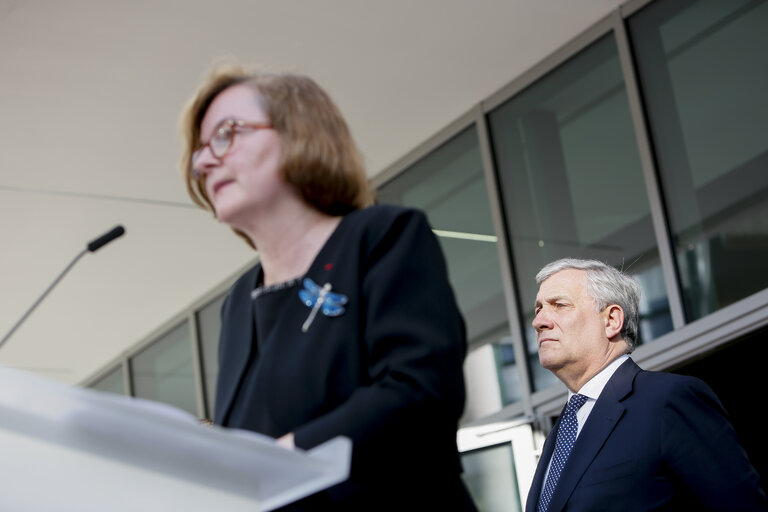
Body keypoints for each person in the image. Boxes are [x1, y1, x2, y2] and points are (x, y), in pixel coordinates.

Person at [180, 63, 477, 511]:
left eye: (226, 133)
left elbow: (421, 393)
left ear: (297, 133)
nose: (204, 161)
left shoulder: (383, 237)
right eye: (201, 149)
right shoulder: (238, 303)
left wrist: (284, 457)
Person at [525, 258, 767, 512]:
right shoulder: (562, 432)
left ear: (611, 320)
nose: (539, 321)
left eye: (559, 305)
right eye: (539, 309)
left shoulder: (667, 401)